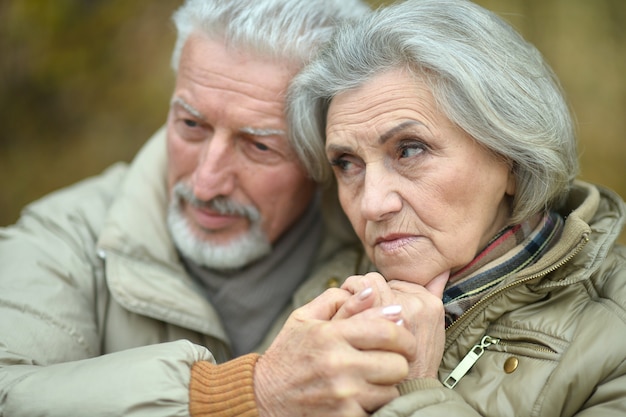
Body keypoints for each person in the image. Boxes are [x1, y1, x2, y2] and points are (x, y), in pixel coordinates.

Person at [0, 0, 424, 416]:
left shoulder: (386, 246)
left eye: (259, 145)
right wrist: (237, 393)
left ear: (327, 153)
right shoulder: (63, 234)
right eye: (191, 125)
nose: (205, 182)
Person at [287, 0, 626, 415]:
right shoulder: (324, 287)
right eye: (346, 164)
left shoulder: (614, 337)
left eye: (410, 150)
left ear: (513, 161)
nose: (373, 203)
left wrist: (414, 390)